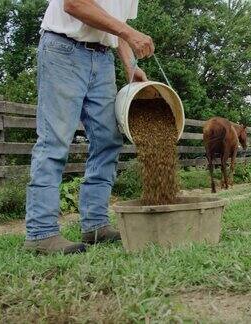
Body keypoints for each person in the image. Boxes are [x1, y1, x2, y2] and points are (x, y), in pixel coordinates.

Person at [24, 0, 155, 254]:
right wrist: (128, 33)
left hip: (103, 59)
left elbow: (119, 27)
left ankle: (95, 224)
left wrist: (130, 64)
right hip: (63, 50)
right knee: (55, 141)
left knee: (108, 140)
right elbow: (74, 4)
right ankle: (41, 233)